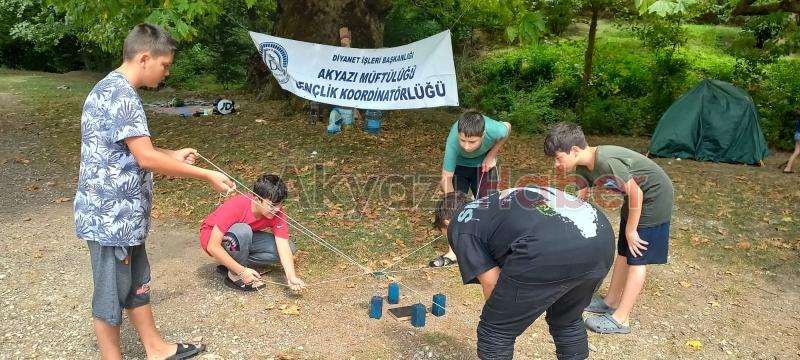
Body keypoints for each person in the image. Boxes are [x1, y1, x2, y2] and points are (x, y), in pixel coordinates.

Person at [74, 23, 234, 360]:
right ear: (145, 57)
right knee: (111, 293)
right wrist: (205, 174)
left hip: (123, 218)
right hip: (110, 221)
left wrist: (172, 155)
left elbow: (131, 149)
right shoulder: (122, 94)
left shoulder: (110, 88)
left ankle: (156, 348)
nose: (166, 73)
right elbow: (144, 157)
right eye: (164, 65)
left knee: (136, 281)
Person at [434, 187, 614, 359]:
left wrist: (502, 317)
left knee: (494, 332)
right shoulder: (494, 204)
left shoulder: (461, 222)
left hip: (550, 248)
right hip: (600, 236)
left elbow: (492, 283)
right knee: (567, 319)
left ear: (447, 223)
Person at [543, 122, 674, 335]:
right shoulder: (584, 166)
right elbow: (581, 197)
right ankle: (611, 301)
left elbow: (637, 194)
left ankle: (621, 319)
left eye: (558, 158)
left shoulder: (606, 161)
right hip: (634, 201)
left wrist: (632, 231)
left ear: (574, 150)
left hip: (653, 198)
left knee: (636, 256)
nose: (556, 164)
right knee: (623, 252)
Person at [430, 110, 511, 267]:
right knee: (451, 211)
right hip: (459, 168)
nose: (466, 147)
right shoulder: (453, 142)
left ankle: (489, 249)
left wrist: (491, 155)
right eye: (463, 140)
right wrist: (453, 206)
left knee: (489, 207)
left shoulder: (495, 129)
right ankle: (453, 252)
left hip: (484, 167)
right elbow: (446, 178)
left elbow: (507, 128)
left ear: (483, 134)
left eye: (472, 142)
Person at [199, 174, 306, 291]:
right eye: (273, 205)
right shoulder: (236, 206)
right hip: (212, 237)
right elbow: (212, 246)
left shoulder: (277, 212)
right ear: (256, 199)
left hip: (240, 238)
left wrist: (291, 277)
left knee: (290, 248)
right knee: (242, 231)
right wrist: (242, 271)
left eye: (281, 204)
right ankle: (235, 274)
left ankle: (232, 263)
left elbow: (282, 245)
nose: (277, 209)